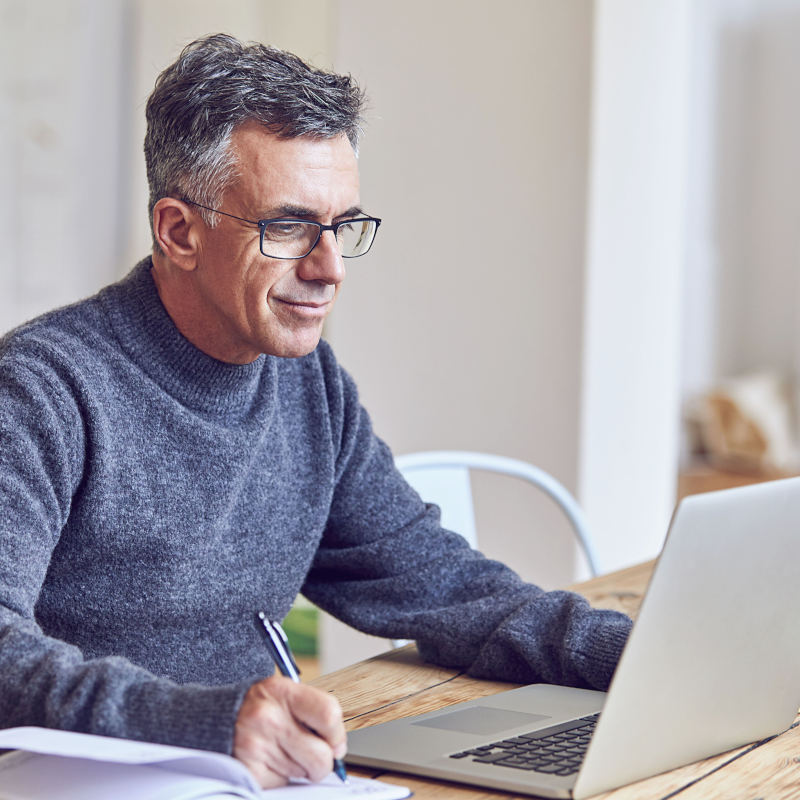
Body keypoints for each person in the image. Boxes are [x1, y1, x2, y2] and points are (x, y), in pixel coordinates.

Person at [0, 34, 632, 788]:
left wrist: (650, 654)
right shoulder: (42, 390)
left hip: (265, 777)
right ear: (179, 231)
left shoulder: (308, 384)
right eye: (289, 226)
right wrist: (204, 720)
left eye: (343, 227)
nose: (328, 267)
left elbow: (443, 586)